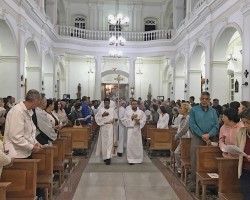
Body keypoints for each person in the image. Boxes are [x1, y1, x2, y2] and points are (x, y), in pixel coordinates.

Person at [188, 91, 219, 191]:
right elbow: (193, 124)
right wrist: (202, 135)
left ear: (209, 100)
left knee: (211, 160)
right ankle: (194, 182)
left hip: (211, 137)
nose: (204, 101)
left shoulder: (213, 111)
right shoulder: (194, 110)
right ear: (200, 99)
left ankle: (210, 183)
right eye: (202, 99)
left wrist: (209, 135)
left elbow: (216, 125)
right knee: (195, 159)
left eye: (206, 99)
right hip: (198, 137)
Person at [4, 89, 42, 158]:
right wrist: (31, 147)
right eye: (39, 101)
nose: (39, 104)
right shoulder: (17, 111)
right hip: (17, 154)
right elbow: (16, 136)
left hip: (26, 152)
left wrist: (35, 143)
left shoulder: (28, 111)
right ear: (36, 101)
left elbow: (29, 132)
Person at [122, 100, 146, 164]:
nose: (134, 105)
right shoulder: (127, 112)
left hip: (137, 129)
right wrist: (131, 118)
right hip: (130, 130)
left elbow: (144, 120)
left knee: (137, 145)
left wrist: (139, 122)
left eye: (135, 104)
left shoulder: (141, 112)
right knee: (130, 145)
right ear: (131, 105)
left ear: (137, 105)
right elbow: (124, 121)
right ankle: (130, 159)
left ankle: (139, 159)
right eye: (133, 104)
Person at [95, 98, 117, 165]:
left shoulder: (112, 110)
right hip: (103, 127)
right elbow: (96, 118)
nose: (107, 104)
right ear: (104, 103)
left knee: (110, 142)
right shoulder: (101, 110)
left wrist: (115, 120)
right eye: (105, 103)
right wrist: (102, 115)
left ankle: (108, 157)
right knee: (104, 143)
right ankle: (105, 157)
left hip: (110, 127)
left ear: (109, 103)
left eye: (108, 103)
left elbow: (116, 118)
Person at [236, 108, 250, 200]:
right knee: (246, 195)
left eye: (248, 123)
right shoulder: (241, 132)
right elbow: (238, 146)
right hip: (245, 169)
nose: (245, 125)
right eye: (244, 122)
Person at [174, 103, 191, 173]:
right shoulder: (182, 117)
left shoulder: (188, 117)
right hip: (182, 138)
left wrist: (177, 136)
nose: (180, 109)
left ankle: (180, 168)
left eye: (181, 108)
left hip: (186, 138)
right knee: (178, 153)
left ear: (185, 109)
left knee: (177, 152)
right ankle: (181, 168)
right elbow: (180, 127)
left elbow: (184, 129)